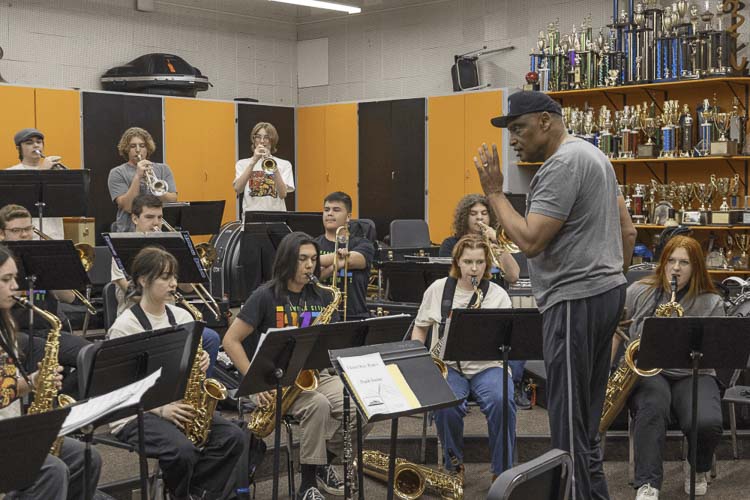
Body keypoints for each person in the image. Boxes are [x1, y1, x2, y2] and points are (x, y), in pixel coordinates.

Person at [475, 91, 637, 500]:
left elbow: (529, 240)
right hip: (606, 293)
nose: (513, 139)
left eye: (519, 129)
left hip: (573, 301)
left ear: (546, 121)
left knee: (567, 429)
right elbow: (629, 232)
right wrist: (607, 279)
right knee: (586, 425)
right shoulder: (595, 156)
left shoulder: (561, 165)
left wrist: (494, 193)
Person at [223, 231, 364, 500]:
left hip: (314, 375)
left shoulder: (321, 296)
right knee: (318, 405)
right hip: (274, 379)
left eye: (313, 259)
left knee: (360, 404)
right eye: (303, 259)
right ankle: (306, 486)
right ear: (287, 260)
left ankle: (323, 461)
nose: (310, 265)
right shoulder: (264, 296)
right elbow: (230, 340)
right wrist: (253, 380)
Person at [107, 247, 246, 500]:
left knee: (234, 437)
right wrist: (161, 410)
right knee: (182, 451)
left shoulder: (182, 316)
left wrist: (200, 360)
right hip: (134, 413)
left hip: (177, 403)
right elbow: (120, 391)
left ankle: (195, 492)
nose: (173, 284)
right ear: (143, 281)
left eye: (174, 277)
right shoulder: (125, 327)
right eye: (165, 278)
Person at [613, 236, 723, 499]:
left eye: (684, 262)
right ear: (662, 264)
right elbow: (615, 327)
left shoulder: (711, 302)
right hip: (649, 371)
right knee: (652, 408)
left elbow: (719, 349)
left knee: (707, 421)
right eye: (671, 261)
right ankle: (647, 483)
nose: (675, 268)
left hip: (695, 373)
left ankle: (697, 467)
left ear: (696, 267)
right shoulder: (638, 291)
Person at [0, 243, 102, 500]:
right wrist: (24, 385)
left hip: (9, 429)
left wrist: (34, 381)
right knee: (51, 470)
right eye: (6, 279)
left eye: (15, 278)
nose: (15, 286)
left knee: (87, 456)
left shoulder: (6, 324)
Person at [411, 235, 516, 483]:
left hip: (487, 366)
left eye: (480, 262)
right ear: (457, 261)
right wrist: (420, 361)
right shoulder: (438, 289)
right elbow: (420, 328)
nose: (474, 268)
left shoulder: (498, 295)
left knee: (502, 400)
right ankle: (453, 467)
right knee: (446, 405)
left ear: (487, 264)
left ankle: (502, 473)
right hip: (448, 366)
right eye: (468, 261)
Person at [108, 194, 221, 376]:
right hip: (139, 320)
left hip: (171, 318)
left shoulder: (171, 247)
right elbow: (132, 293)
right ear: (135, 218)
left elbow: (187, 289)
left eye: (160, 217)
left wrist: (185, 261)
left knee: (210, 339)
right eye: (149, 217)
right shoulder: (121, 248)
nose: (156, 223)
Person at [439, 194, 527, 408]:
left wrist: (497, 242)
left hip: (494, 312)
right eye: (474, 214)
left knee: (518, 338)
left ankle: (511, 385)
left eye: (484, 213)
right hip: (461, 312)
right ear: (464, 217)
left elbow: (514, 275)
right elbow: (447, 279)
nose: (480, 218)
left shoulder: (497, 243)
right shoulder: (451, 243)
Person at [0, 204, 90, 394]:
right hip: (14, 332)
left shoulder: (42, 255)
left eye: (28, 229)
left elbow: (69, 297)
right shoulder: (2, 263)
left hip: (47, 330)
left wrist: (54, 269)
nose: (24, 235)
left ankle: (65, 399)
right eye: (16, 230)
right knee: (40, 351)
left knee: (92, 355)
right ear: (1, 233)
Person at [315, 191, 374, 321]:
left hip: (354, 317)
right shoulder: (313, 244)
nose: (329, 213)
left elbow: (356, 259)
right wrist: (335, 266)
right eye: (326, 210)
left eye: (336, 210)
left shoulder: (363, 244)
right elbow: (305, 273)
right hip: (316, 316)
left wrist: (318, 263)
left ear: (348, 217)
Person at [108, 127, 178, 232]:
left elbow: (173, 200)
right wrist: (137, 176)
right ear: (127, 149)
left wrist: (156, 189)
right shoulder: (117, 172)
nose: (137, 150)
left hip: (158, 228)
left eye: (142, 146)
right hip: (129, 230)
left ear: (148, 148)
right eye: (132, 146)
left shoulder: (163, 169)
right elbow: (128, 206)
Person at [5, 128, 64, 239]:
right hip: (24, 237)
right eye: (29, 143)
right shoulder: (11, 173)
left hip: (54, 234)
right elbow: (17, 206)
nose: (36, 145)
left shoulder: (55, 171)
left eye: (39, 142)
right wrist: (42, 171)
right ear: (19, 148)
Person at [233, 122, 295, 214]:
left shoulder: (285, 164)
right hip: (251, 217)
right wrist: (253, 162)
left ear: (272, 141)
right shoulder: (242, 164)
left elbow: (283, 194)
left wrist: (273, 165)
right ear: (254, 140)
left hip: (276, 217)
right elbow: (238, 189)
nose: (262, 141)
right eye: (258, 137)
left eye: (266, 137)